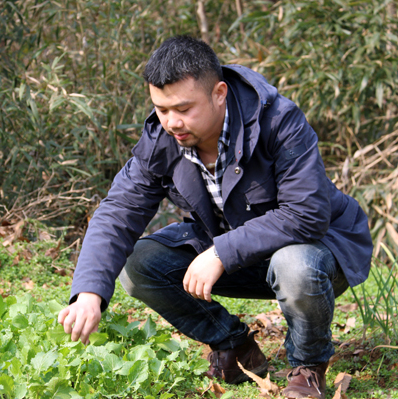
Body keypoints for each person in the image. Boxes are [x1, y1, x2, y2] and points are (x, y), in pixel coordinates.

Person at [58, 36, 372, 399]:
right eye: (161, 109)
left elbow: (307, 214)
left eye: (184, 108)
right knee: (139, 264)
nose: (172, 122)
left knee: (294, 265)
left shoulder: (278, 121)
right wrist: (89, 293)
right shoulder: (162, 139)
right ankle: (237, 347)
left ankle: (307, 366)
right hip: (240, 250)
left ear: (219, 93)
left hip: (317, 253)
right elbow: (117, 213)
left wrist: (221, 252)